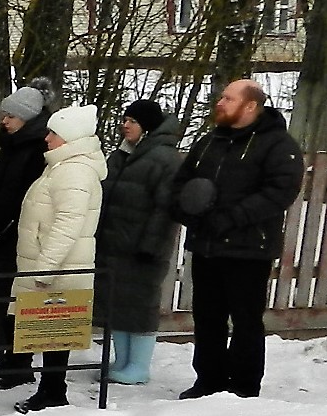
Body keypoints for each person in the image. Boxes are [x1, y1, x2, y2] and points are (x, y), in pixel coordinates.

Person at [171, 79, 304, 399]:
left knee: (245, 321)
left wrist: (231, 218)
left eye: (228, 98)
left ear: (250, 106)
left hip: (248, 250)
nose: (220, 102)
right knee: (207, 318)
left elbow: (279, 192)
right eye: (221, 97)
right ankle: (209, 380)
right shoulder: (209, 142)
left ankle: (244, 386)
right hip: (207, 245)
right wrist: (187, 211)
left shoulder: (278, 145)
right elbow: (182, 182)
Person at [10, 105, 108, 413]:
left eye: (53, 133)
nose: (47, 138)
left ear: (69, 138)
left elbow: (68, 223)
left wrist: (45, 268)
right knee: (52, 331)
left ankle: (52, 391)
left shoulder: (74, 170)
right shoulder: (62, 165)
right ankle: (50, 389)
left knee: (57, 331)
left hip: (60, 267)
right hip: (54, 264)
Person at [95, 100, 183, 385]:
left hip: (143, 248)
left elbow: (165, 208)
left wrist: (151, 246)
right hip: (115, 244)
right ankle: (122, 361)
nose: (125, 125)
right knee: (116, 303)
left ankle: (139, 366)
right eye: (124, 119)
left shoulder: (165, 159)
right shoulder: (121, 156)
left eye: (132, 121)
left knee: (141, 305)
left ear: (148, 127)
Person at [0, 78, 53, 390]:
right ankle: (9, 361)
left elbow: (27, 196)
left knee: (14, 301)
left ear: (28, 118)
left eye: (11, 116)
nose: (4, 121)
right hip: (0, 232)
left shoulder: (36, 149)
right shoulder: (13, 143)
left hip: (17, 235)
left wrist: (5, 226)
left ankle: (17, 365)